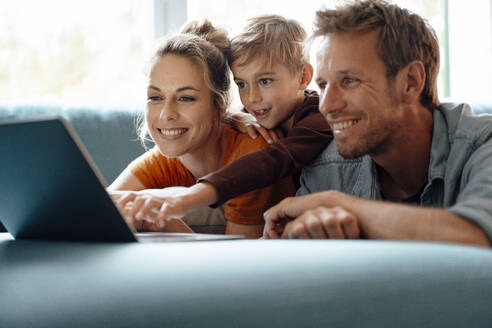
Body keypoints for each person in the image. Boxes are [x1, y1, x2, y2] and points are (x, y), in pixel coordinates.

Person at [263, 0, 492, 247]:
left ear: (411, 82)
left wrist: (340, 204)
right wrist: (292, 235)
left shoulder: (482, 143)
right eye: (323, 85)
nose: (326, 106)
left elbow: (479, 235)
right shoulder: (328, 167)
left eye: (349, 80)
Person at [120, 15, 332, 226]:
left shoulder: (320, 117)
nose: (251, 98)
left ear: (304, 77)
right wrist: (234, 116)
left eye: (265, 81)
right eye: (241, 84)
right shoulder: (255, 118)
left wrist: (185, 199)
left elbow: (271, 161)